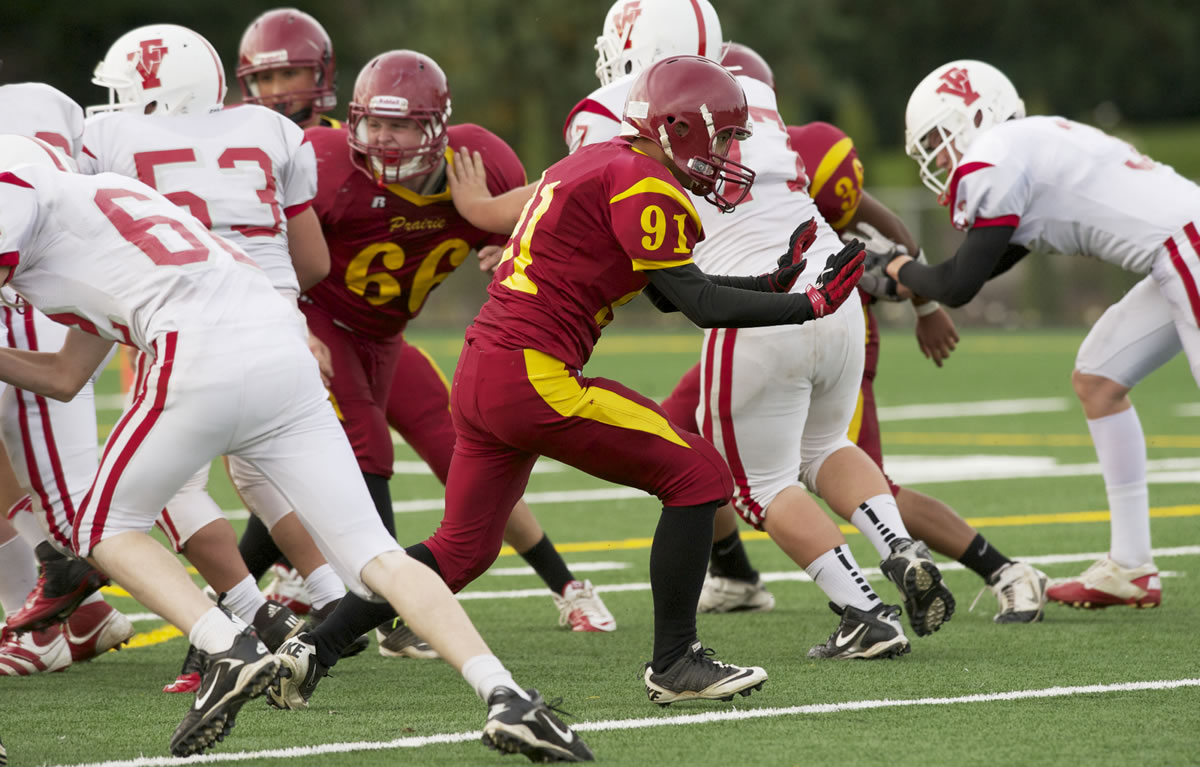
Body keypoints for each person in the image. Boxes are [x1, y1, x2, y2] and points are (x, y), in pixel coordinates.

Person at [274, 53, 864, 702]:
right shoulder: (645, 183)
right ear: (681, 128)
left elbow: (669, 292)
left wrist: (769, 283)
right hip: (532, 373)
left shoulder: (600, 160)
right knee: (698, 474)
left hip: (484, 370)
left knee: (463, 549)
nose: (726, 152)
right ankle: (676, 661)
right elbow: (696, 304)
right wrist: (803, 303)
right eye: (721, 136)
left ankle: (315, 647)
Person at [0, 134, 591, 762]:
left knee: (102, 530)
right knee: (378, 556)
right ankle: (505, 695)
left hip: (198, 347)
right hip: (281, 345)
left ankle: (229, 645)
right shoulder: (100, 212)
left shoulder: (18, 192)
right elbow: (65, 377)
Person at [660, 42, 1047, 625]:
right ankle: (736, 572)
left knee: (771, 477)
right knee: (685, 433)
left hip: (772, 314)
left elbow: (878, 233)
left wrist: (920, 305)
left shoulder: (696, 144)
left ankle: (991, 570)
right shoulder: (787, 141)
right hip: (819, 313)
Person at [81, 23, 360, 691]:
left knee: (164, 491)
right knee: (264, 473)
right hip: (276, 327)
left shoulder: (109, 143)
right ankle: (336, 597)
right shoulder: (270, 131)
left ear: (153, 95)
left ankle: (248, 619)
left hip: (188, 328)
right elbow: (314, 262)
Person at [886, 59, 1194, 610]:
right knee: (1099, 378)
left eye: (940, 138)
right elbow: (987, 264)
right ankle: (1131, 567)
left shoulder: (997, 153)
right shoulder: (1027, 143)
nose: (938, 156)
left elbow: (957, 284)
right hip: (1176, 253)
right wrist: (915, 280)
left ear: (977, 115)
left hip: (1187, 249)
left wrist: (896, 271)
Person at [0, 83, 133, 670]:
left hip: (38, 291)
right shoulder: (39, 108)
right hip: (78, 294)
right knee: (78, 501)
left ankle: (243, 618)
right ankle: (74, 618)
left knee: (87, 509)